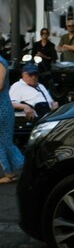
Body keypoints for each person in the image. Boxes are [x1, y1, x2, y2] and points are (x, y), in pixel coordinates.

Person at [0, 54, 24, 183]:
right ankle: (12, 172)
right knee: (5, 143)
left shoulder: (0, 62)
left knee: (4, 143)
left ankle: (12, 172)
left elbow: (0, 85)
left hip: (2, 108)